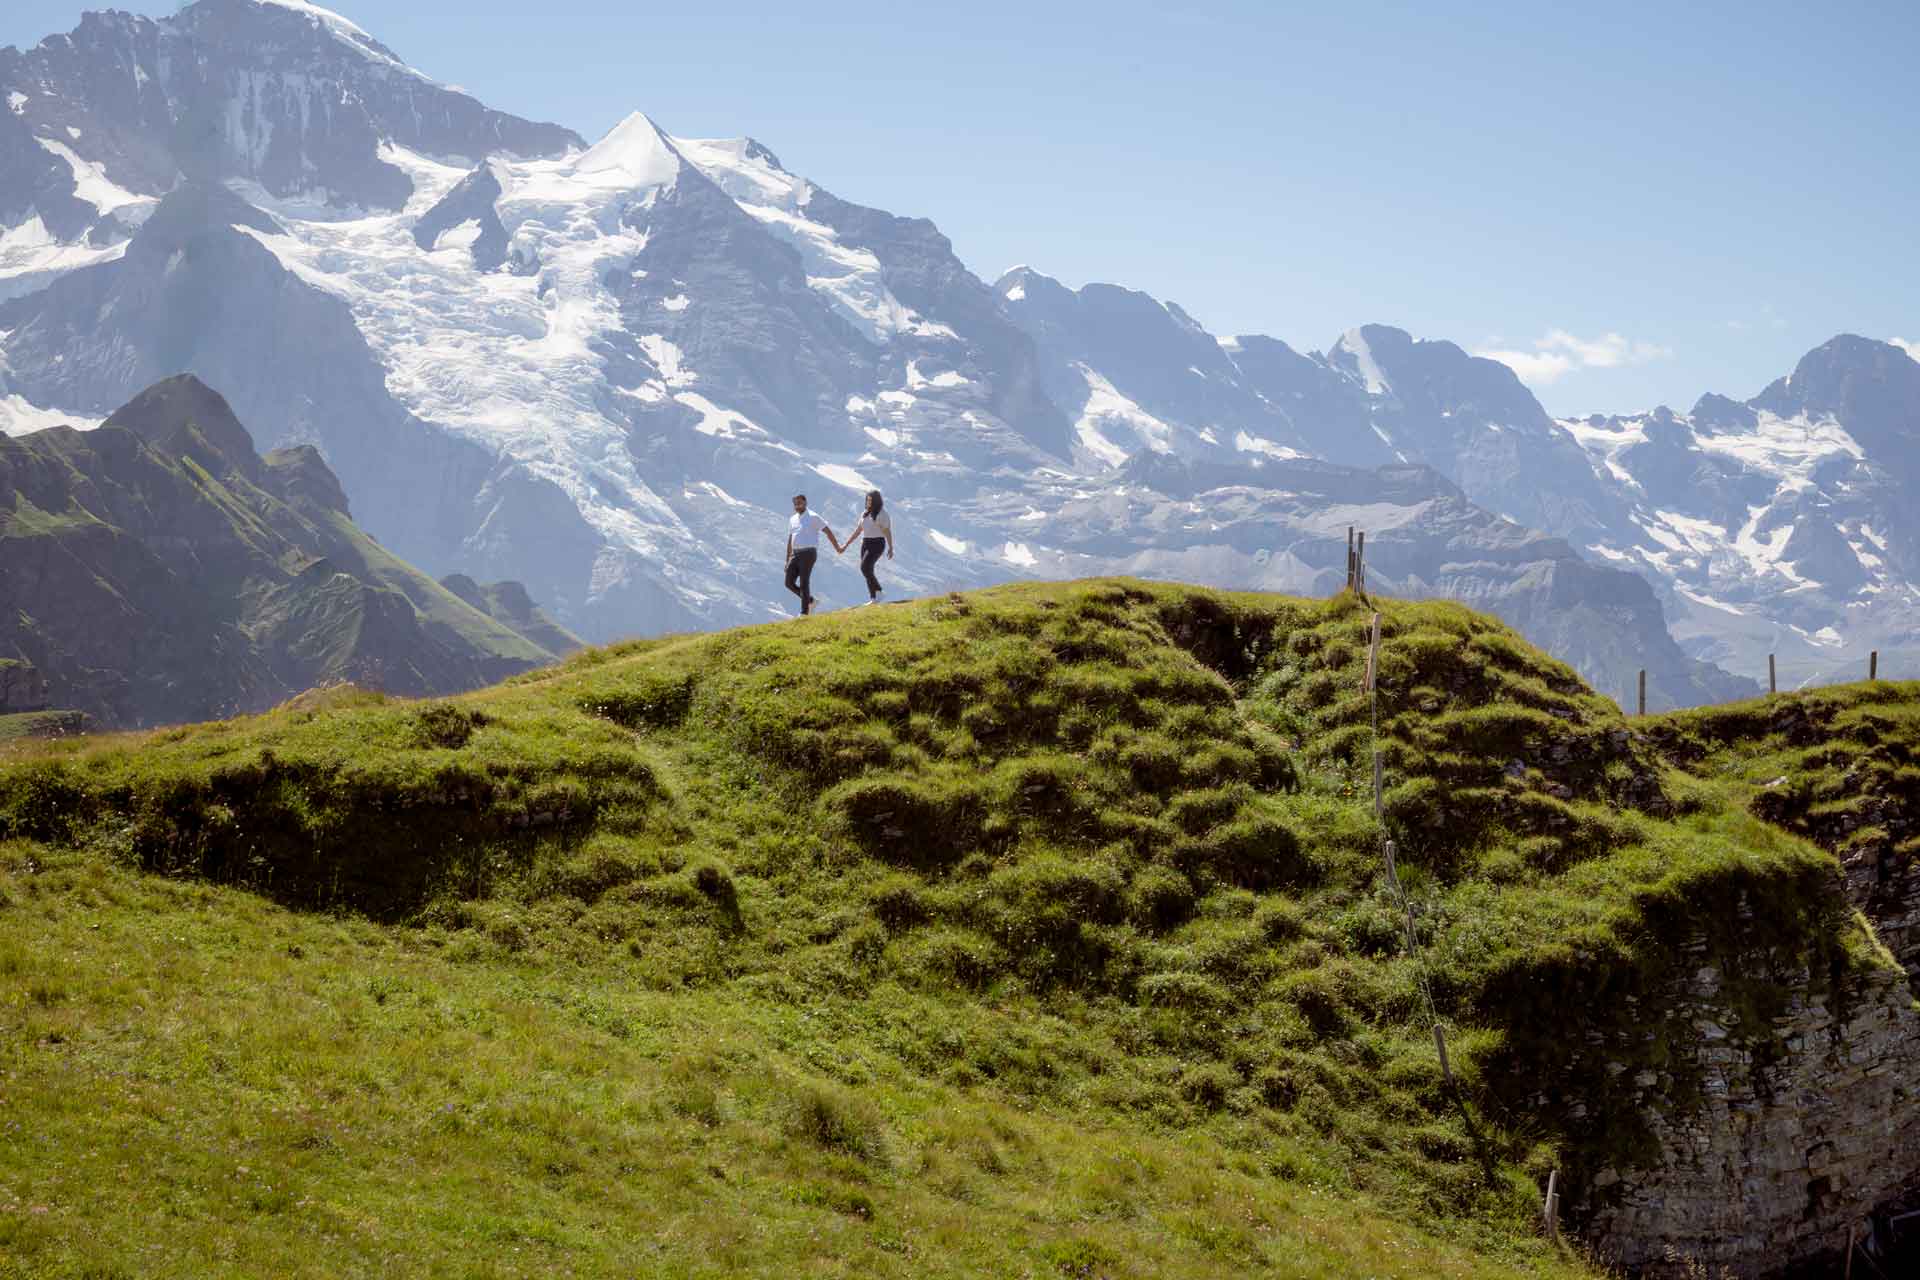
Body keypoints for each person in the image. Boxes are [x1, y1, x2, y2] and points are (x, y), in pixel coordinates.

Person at [837, 489, 894, 605]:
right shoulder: (864, 513)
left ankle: (879, 591)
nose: (868, 502)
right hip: (865, 543)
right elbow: (858, 531)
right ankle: (873, 598)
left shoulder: (882, 514)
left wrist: (891, 547)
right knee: (868, 569)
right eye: (867, 500)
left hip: (877, 543)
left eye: (871, 500)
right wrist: (846, 544)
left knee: (865, 567)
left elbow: (887, 531)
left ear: (876, 501)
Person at [784, 493, 837, 616]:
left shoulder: (813, 517)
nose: (797, 505)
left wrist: (837, 547)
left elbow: (828, 531)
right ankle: (811, 601)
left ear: (805, 503)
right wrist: (787, 560)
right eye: (795, 504)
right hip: (795, 554)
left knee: (804, 582)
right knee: (788, 583)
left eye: (800, 503)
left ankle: (804, 613)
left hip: (808, 553)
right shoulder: (792, 519)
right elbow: (790, 539)